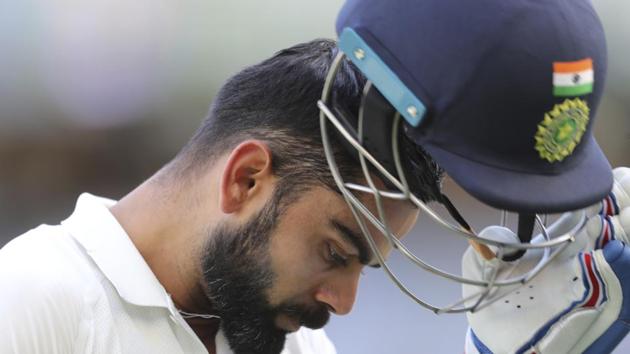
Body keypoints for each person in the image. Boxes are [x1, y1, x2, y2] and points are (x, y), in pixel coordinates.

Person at [0, 40, 421, 354]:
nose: (345, 303)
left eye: (363, 269)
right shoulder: (33, 296)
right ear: (246, 180)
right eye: (334, 252)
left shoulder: (300, 345)